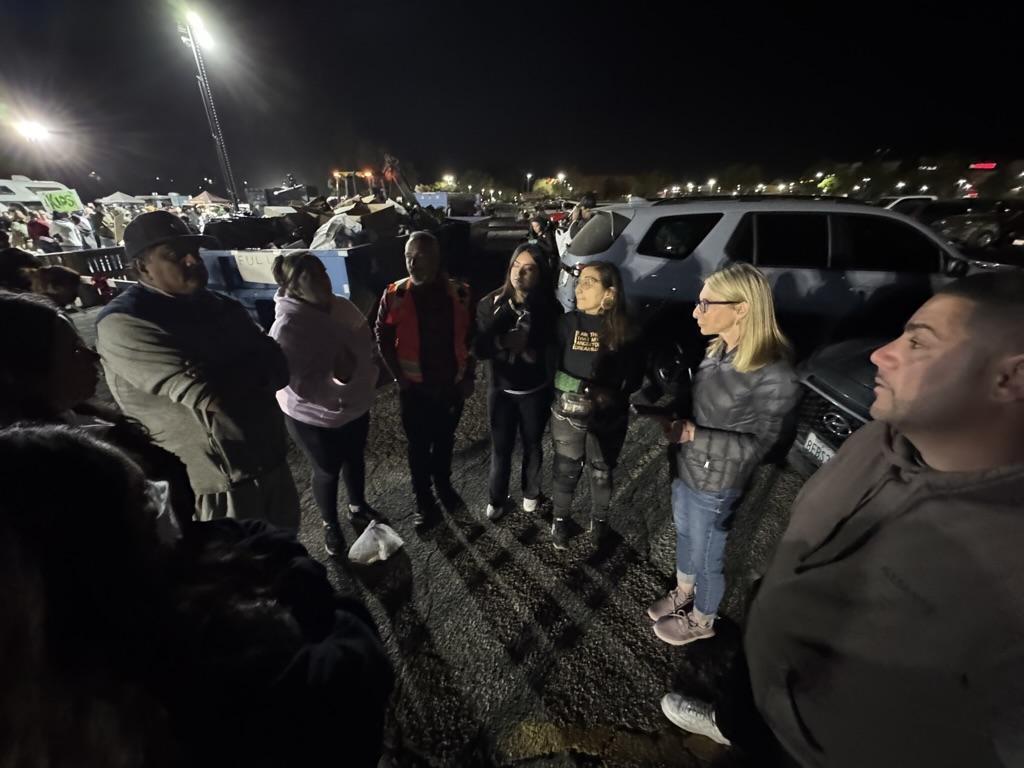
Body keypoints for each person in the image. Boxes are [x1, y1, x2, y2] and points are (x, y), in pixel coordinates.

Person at [662, 271, 1024, 767]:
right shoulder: (875, 441)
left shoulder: (1008, 559)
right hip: (763, 702)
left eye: (918, 342)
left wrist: (694, 439)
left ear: (1013, 377)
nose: (880, 353)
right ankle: (738, 723)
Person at [0, 424, 394, 768]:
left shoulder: (44, 680)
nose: (163, 499)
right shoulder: (196, 655)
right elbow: (351, 671)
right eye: (144, 498)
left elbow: (238, 533)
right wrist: (329, 599)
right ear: (105, 544)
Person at [96, 210, 300, 528]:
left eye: (195, 252)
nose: (194, 261)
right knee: (237, 573)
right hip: (214, 488)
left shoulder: (221, 305)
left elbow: (281, 366)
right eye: (176, 255)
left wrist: (227, 371)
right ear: (142, 267)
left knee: (285, 559)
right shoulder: (126, 323)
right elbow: (213, 396)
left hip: (271, 465)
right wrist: (251, 366)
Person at [647, 263, 800, 645]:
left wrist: (696, 434)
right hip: (689, 468)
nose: (695, 311)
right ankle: (684, 592)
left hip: (719, 483)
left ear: (743, 308)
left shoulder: (774, 372)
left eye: (705, 303)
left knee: (709, 557)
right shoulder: (717, 350)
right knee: (684, 535)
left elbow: (769, 444)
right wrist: (678, 421)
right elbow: (709, 409)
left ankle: (702, 620)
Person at [0, 292, 195, 527]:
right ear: (26, 375)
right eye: (74, 350)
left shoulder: (87, 424)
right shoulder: (41, 474)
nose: (93, 355)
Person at [269, 251, 381, 556]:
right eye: (311, 275)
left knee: (355, 457)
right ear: (292, 286)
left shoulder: (340, 305)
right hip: (313, 418)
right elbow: (301, 387)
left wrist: (369, 367)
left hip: (355, 405)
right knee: (327, 470)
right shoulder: (288, 329)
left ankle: (357, 506)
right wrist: (338, 379)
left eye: (323, 271)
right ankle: (329, 523)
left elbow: (363, 338)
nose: (323, 279)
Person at [375, 231, 475, 528]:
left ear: (436, 259)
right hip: (415, 390)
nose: (412, 264)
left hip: (450, 387)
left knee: (445, 441)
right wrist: (399, 378)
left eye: (420, 257)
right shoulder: (395, 294)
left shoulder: (461, 294)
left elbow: (471, 338)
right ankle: (423, 500)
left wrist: (469, 375)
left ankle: (443, 485)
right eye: (408, 257)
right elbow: (382, 335)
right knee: (418, 447)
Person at [550, 261, 643, 549]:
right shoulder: (567, 324)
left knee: (602, 471)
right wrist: (584, 388)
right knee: (566, 469)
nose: (579, 287)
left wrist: (614, 393)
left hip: (609, 418)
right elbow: (550, 372)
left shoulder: (629, 330)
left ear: (610, 293)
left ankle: (599, 522)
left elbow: (636, 378)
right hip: (567, 415)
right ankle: (560, 521)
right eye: (579, 282)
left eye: (589, 282)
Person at [473, 244, 561, 520]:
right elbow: (478, 347)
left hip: (535, 391)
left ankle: (530, 493)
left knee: (533, 444)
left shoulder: (550, 307)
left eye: (528, 268)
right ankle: (496, 498)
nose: (519, 273)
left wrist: (531, 350)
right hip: (501, 391)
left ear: (540, 274)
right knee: (501, 449)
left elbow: (554, 348)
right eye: (515, 266)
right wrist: (502, 340)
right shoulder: (490, 303)